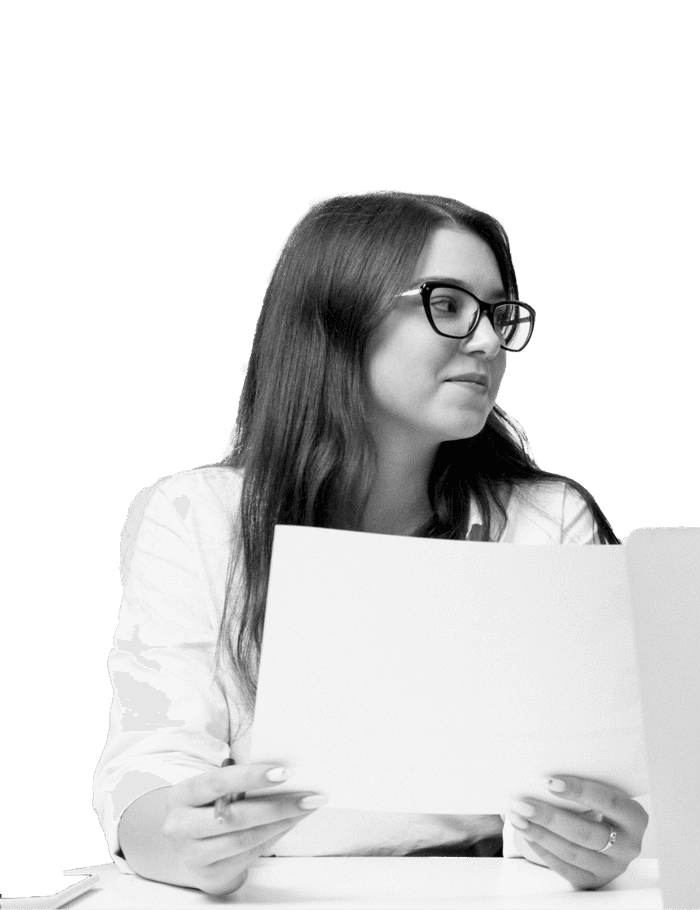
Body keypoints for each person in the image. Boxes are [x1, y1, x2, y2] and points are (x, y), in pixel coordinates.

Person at [94, 191, 649, 894]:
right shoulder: (195, 518)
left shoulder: (547, 522)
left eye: (499, 314)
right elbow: (151, 761)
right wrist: (176, 840)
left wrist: (608, 834)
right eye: (448, 306)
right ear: (336, 316)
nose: (485, 341)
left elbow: (608, 776)